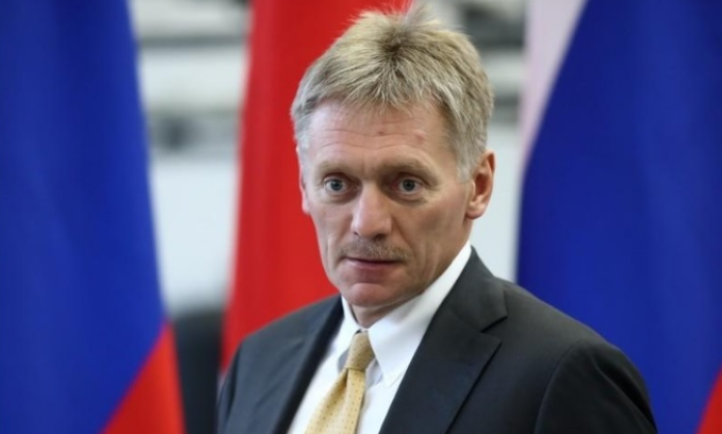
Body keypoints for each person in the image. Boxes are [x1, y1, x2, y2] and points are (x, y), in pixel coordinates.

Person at [217, 5, 657, 434]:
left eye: (406, 184)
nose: (367, 223)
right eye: (337, 184)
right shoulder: (259, 362)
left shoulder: (563, 376)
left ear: (478, 186)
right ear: (303, 185)